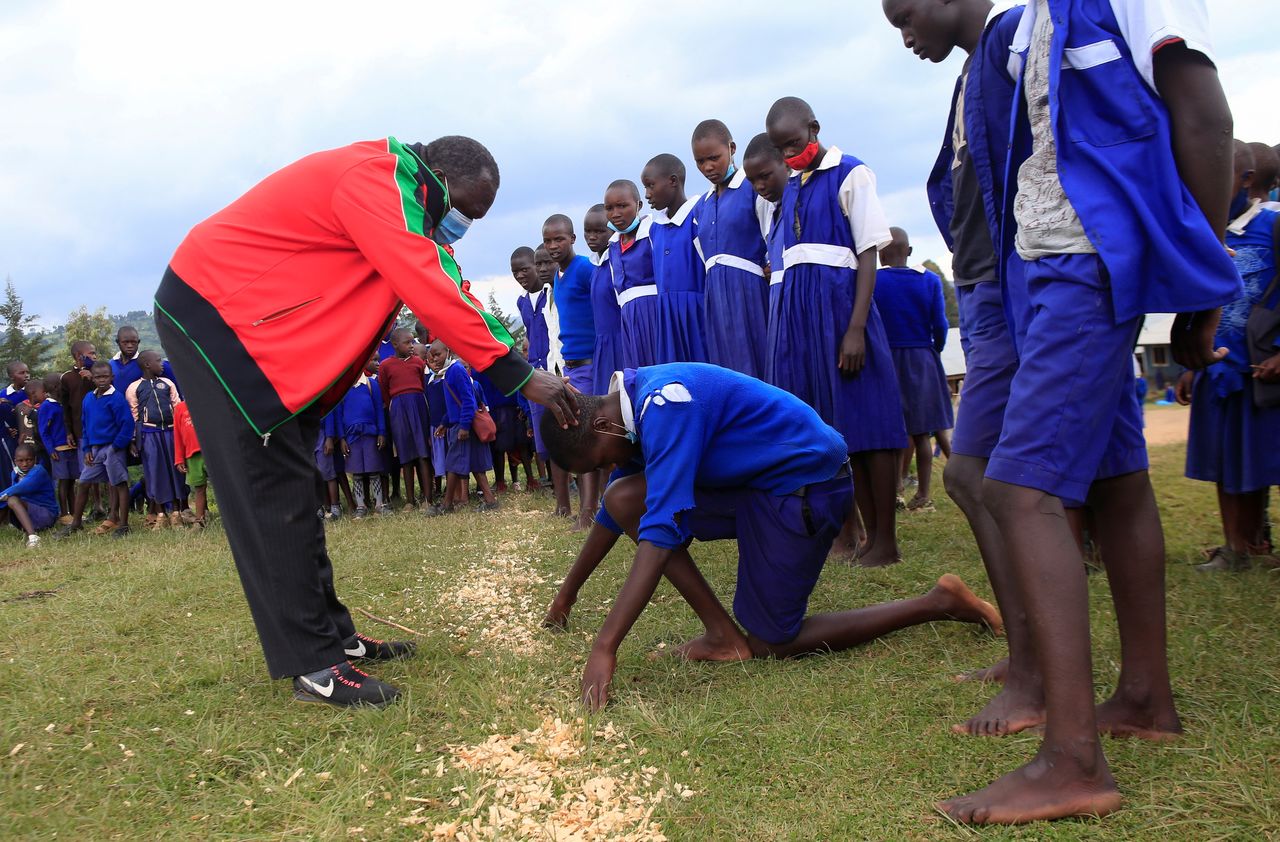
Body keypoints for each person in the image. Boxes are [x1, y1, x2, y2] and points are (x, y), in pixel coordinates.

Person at [927, 0, 1240, 824]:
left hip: (1089, 261)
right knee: (1118, 479)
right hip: (1042, 271)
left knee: (1019, 490)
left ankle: (1071, 761)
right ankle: (1144, 698)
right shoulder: (1032, 20)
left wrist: (1201, 286)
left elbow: (1206, 120)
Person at [154, 134, 577, 709]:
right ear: (441, 182)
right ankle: (313, 665)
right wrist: (524, 376)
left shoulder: (400, 192)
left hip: (262, 327)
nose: (463, 226)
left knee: (295, 480)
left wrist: (516, 365)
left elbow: (447, 277)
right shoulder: (378, 179)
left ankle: (336, 639)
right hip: (220, 316)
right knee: (272, 487)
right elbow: (430, 287)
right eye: (466, 212)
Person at [538, 364, 1002, 711]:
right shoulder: (631, 409)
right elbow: (615, 514)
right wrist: (565, 598)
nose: (605, 469)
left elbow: (660, 532)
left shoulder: (665, 404)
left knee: (773, 641)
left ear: (602, 425)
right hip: (758, 485)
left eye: (599, 461)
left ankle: (938, 602)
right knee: (624, 498)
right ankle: (722, 636)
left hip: (807, 488)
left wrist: (605, 647)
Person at [765, 97, 907, 567]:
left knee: (868, 423)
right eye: (781, 150)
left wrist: (856, 329)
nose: (790, 155)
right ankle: (854, 536)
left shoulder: (851, 173)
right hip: (804, 321)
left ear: (814, 129)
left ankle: (884, 540)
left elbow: (868, 254)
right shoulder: (793, 187)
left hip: (843, 312)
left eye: (795, 143)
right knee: (837, 430)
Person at [1179, 140, 1280, 571]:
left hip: (1258, 366)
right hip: (1216, 366)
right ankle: (1236, 548)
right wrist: (1189, 365)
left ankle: (1258, 543)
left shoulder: (1272, 226)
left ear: (1245, 180)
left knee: (1260, 457)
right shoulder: (1208, 230)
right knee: (1227, 460)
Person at [873, 228, 954, 510]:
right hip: (922, 357)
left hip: (886, 358)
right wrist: (934, 350)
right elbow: (940, 325)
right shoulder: (929, 281)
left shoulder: (874, 281)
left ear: (880, 253)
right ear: (909, 251)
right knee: (923, 431)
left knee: (894, 430)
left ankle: (895, 491)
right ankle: (923, 496)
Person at [692, 120, 772, 378]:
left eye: (714, 157)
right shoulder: (702, 206)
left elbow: (772, 235)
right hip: (716, 298)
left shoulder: (753, 188)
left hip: (751, 293)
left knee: (759, 366)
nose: (708, 167)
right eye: (700, 161)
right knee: (727, 371)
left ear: (732, 148)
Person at [544, 213, 601, 529]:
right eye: (548, 240)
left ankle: (588, 512)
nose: (553, 246)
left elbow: (606, 302)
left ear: (572, 239)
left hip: (592, 364)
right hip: (570, 366)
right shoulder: (558, 277)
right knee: (573, 434)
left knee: (586, 437)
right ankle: (580, 508)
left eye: (559, 239)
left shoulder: (583, 270)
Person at [515, 245, 570, 516]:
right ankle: (559, 494)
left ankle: (578, 489)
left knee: (568, 429)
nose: (521, 275)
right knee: (546, 435)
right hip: (536, 372)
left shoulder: (553, 293)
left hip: (559, 368)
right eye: (515, 272)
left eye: (525, 268)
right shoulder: (522, 302)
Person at [56, 361, 132, 539]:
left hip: (113, 447)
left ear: (111, 377)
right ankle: (76, 523)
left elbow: (126, 425)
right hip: (95, 448)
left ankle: (124, 525)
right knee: (83, 482)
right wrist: (87, 447)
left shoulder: (117, 398)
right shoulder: (89, 398)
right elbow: (85, 424)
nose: (102, 380)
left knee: (119, 483)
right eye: (98, 377)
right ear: (93, 378)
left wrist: (116, 447)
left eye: (105, 376)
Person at [644, 154, 707, 364]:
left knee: (701, 372)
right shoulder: (655, 229)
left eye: (651, 186)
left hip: (697, 314)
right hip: (666, 315)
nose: (647, 194)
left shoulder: (698, 215)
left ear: (673, 181)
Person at [126, 350, 185, 530]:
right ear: (147, 364)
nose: (162, 364)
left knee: (174, 471)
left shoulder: (167, 383)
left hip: (170, 432)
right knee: (154, 472)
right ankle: (160, 514)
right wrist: (134, 440)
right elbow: (133, 415)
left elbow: (178, 407)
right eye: (158, 361)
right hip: (149, 434)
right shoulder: (134, 387)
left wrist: (182, 434)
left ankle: (176, 513)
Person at [606, 180, 661, 369]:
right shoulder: (612, 246)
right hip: (628, 319)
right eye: (609, 208)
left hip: (654, 314)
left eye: (622, 206)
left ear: (638, 205)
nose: (615, 214)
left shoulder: (654, 233)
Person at [379, 327, 433, 512]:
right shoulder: (386, 365)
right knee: (405, 455)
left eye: (413, 342)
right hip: (398, 411)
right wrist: (396, 406)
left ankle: (427, 499)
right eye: (407, 342)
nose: (412, 345)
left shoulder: (418, 363)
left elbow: (424, 386)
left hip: (418, 407)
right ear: (395, 344)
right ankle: (410, 500)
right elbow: (385, 392)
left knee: (423, 454)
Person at [441, 349, 498, 511]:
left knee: (452, 463)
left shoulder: (456, 370)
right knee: (475, 465)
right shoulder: (449, 372)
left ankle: (447, 504)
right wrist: (444, 422)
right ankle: (490, 500)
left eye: (437, 354)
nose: (433, 359)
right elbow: (454, 403)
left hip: (463, 425)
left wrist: (464, 426)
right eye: (431, 356)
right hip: (460, 422)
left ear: (448, 351)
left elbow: (468, 400)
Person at [340, 361, 389, 518]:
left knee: (374, 468)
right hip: (351, 436)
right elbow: (338, 414)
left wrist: (381, 432)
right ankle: (361, 505)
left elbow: (378, 410)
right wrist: (341, 438)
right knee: (357, 473)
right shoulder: (341, 389)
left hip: (370, 433)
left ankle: (379, 503)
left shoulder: (371, 384)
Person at [584, 204, 622, 396]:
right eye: (588, 231)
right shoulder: (596, 267)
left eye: (599, 231)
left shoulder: (617, 262)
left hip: (621, 342)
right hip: (601, 345)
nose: (592, 236)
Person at [0, 444, 58, 549]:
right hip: (28, 515)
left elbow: (22, 487)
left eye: (29, 460)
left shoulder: (39, 471)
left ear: (35, 459)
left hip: (46, 516)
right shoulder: (15, 473)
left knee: (11, 499)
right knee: (7, 500)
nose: (25, 464)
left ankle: (33, 538)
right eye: (20, 461)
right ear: (15, 461)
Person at [38, 372, 77, 521]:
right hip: (59, 450)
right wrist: (50, 449)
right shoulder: (47, 406)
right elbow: (43, 430)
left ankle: (74, 512)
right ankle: (64, 514)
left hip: (71, 448)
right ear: (55, 387)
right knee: (63, 480)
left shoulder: (63, 404)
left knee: (72, 480)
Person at [172, 399, 208, 530]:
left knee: (223, 486)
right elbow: (178, 435)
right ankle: (199, 521)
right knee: (199, 488)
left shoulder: (208, 403)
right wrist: (179, 459)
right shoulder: (180, 408)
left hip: (211, 452)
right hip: (192, 454)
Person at [315, 405, 345, 520]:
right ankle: (321, 508)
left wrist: (329, 437)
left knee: (328, 473)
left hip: (322, 435)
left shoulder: (321, 392)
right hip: (308, 437)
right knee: (315, 474)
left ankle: (335, 507)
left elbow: (328, 412)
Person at [14, 375, 47, 472]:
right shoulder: (19, 407)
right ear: (34, 393)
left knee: (43, 471)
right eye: (44, 392)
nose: (46, 394)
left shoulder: (44, 406)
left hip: (42, 447)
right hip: (26, 449)